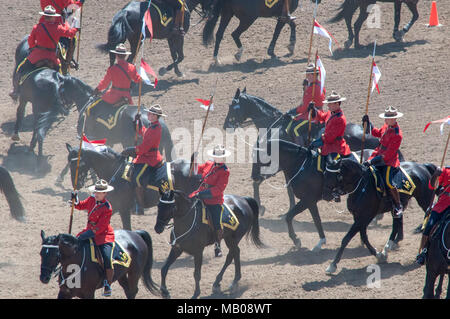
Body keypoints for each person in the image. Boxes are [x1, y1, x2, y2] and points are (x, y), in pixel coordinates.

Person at [10, 5, 78, 99]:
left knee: (20, 69)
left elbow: (30, 41)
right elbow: (70, 33)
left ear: (44, 16)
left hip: (36, 56)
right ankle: (62, 95)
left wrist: (34, 48)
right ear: (54, 17)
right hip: (52, 58)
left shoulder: (37, 27)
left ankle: (16, 90)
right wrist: (75, 26)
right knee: (61, 74)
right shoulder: (58, 28)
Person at [70, 179, 115, 297]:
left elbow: (100, 227)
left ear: (105, 194)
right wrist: (75, 200)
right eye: (95, 192)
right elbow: (80, 206)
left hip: (103, 236)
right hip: (88, 231)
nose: (96, 194)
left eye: (99, 193)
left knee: (106, 257)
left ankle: (107, 283)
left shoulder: (107, 207)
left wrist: (88, 234)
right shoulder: (91, 199)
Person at [121, 104, 166, 211]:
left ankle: (140, 203)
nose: (149, 115)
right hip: (144, 155)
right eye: (149, 113)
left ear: (156, 116)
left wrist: (132, 149)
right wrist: (139, 123)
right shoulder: (152, 126)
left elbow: (146, 147)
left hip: (150, 157)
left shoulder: (157, 128)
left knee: (137, 178)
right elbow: (144, 133)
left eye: (152, 114)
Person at [188, 145, 231, 257]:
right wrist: (194, 160)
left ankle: (217, 245)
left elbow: (218, 189)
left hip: (213, 200)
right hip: (199, 193)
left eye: (220, 156)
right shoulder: (209, 164)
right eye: (216, 156)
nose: (218, 158)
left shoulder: (225, 171)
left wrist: (202, 194)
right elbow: (195, 170)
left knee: (217, 221)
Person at [362, 106, 404, 217]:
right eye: (385, 118)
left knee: (388, 181)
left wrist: (373, 161)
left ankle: (398, 205)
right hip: (377, 154)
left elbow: (388, 155)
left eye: (388, 118)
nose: (385, 120)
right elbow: (377, 133)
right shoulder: (386, 126)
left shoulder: (397, 134)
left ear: (395, 119)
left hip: (389, 161)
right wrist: (368, 124)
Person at [309, 91, 351, 201]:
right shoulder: (330, 113)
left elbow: (330, 137)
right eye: (328, 103)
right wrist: (314, 109)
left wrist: (320, 139)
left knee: (331, 166)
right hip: (327, 145)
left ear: (337, 104)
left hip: (335, 147)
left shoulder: (340, 118)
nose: (328, 105)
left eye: (330, 103)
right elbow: (322, 117)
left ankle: (335, 190)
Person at [416, 166, 450, 265]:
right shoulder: (445, 171)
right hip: (442, 206)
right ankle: (424, 252)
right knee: (429, 226)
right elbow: (432, 186)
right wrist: (435, 175)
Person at [285, 63, 326, 146]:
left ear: (313, 75)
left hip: (312, 115)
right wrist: (306, 88)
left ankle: (300, 150)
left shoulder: (313, 88)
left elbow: (304, 107)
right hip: (316, 112)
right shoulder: (319, 85)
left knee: (295, 129)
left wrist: (292, 111)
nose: (306, 77)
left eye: (308, 75)